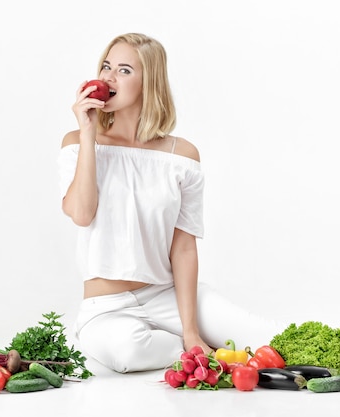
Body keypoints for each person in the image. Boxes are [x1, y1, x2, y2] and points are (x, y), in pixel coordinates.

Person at [58, 33, 284, 373]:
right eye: (106, 66)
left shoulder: (182, 156)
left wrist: (191, 327)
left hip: (166, 295)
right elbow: (81, 213)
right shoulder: (77, 143)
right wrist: (89, 133)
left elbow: (183, 247)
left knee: (266, 336)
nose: (107, 77)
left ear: (148, 84)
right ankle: (196, 349)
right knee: (128, 351)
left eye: (123, 70)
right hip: (105, 306)